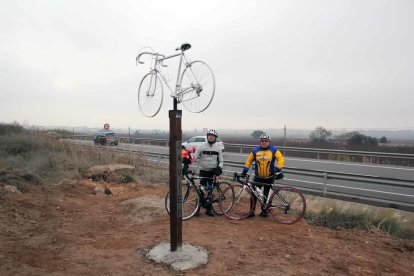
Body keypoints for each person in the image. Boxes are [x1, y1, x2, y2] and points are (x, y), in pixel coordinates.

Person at [241, 133, 285, 218]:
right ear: (260, 142)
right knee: (254, 195)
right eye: (262, 141)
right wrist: (244, 171)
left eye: (266, 141)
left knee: (267, 195)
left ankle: (265, 211)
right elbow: (248, 161)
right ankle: (251, 212)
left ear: (269, 142)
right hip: (258, 177)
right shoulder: (255, 150)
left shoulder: (274, 150)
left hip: (269, 177)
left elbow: (281, 159)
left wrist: (278, 169)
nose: (264, 142)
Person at [195, 129, 224, 217]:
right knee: (201, 190)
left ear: (215, 138)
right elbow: (196, 157)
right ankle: (197, 208)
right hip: (203, 171)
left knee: (210, 191)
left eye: (213, 136)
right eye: (209, 135)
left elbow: (221, 161)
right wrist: (199, 164)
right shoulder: (201, 146)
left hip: (213, 172)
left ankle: (209, 209)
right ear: (207, 136)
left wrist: (219, 168)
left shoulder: (218, 148)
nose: (211, 137)